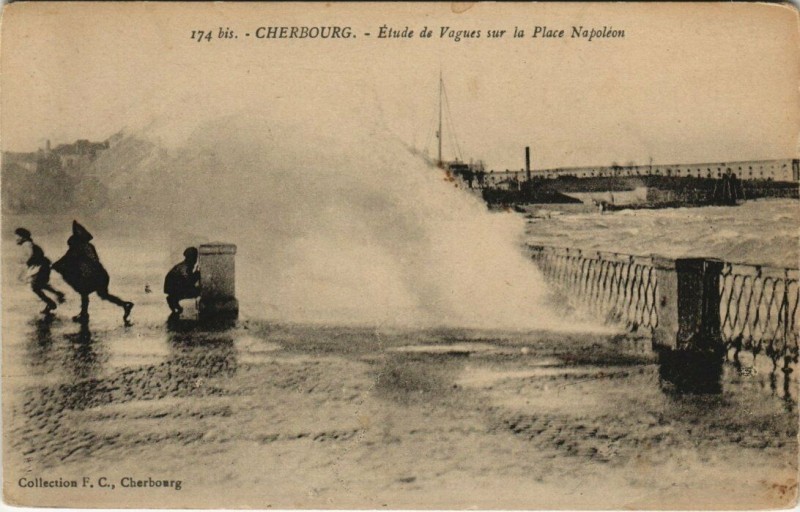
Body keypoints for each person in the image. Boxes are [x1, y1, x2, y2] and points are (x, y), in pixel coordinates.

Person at [52, 221, 134, 324]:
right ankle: (124, 304)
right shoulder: (89, 246)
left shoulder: (77, 248)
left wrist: (55, 266)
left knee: (84, 291)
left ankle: (84, 314)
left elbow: (66, 259)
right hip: (102, 275)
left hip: (90, 276)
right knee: (103, 294)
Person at [14, 228, 65, 314]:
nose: (16, 239)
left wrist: (23, 261)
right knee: (40, 285)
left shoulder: (26, 244)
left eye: (17, 237)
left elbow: (29, 255)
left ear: (23, 237)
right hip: (43, 266)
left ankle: (51, 303)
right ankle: (56, 296)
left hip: (41, 267)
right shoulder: (29, 244)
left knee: (35, 287)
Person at [164, 247, 200, 316]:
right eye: (194, 257)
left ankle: (173, 300)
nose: (195, 260)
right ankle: (173, 299)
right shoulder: (185, 267)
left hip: (172, 287)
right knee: (197, 291)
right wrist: (197, 274)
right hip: (174, 288)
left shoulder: (184, 265)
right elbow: (189, 281)